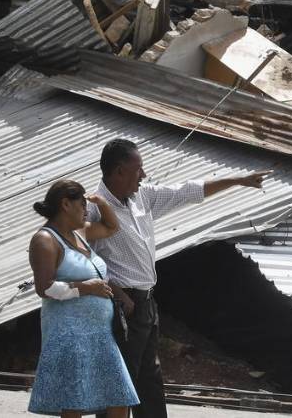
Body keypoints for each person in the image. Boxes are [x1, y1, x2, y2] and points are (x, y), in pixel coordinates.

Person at [88, 138, 269, 418]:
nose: (143, 176)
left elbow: (188, 191)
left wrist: (236, 180)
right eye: (139, 170)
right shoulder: (93, 208)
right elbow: (80, 259)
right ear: (119, 171)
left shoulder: (142, 197)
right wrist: (117, 292)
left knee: (149, 377)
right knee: (121, 379)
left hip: (146, 302)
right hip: (121, 304)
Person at [28, 180, 139, 418]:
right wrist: (85, 288)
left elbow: (112, 227)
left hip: (100, 334)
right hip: (69, 334)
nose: (86, 210)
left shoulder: (80, 233)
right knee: (74, 403)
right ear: (66, 204)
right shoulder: (45, 240)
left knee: (119, 398)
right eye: (82, 204)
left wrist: (102, 203)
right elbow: (44, 288)